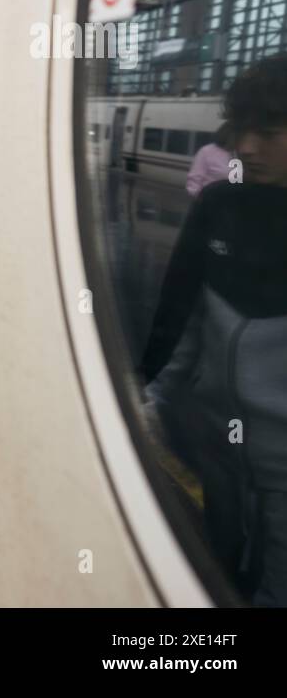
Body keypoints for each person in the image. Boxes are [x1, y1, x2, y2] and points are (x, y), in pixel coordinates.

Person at [142, 59, 287, 605]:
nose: (247, 147)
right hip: (217, 454)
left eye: (268, 134)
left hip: (282, 470)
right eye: (241, 132)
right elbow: (178, 313)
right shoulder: (220, 205)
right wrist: (148, 395)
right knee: (216, 575)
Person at [186, 121, 235, 198]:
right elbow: (194, 180)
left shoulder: (238, 153)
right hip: (209, 201)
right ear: (227, 135)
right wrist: (201, 199)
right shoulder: (206, 151)